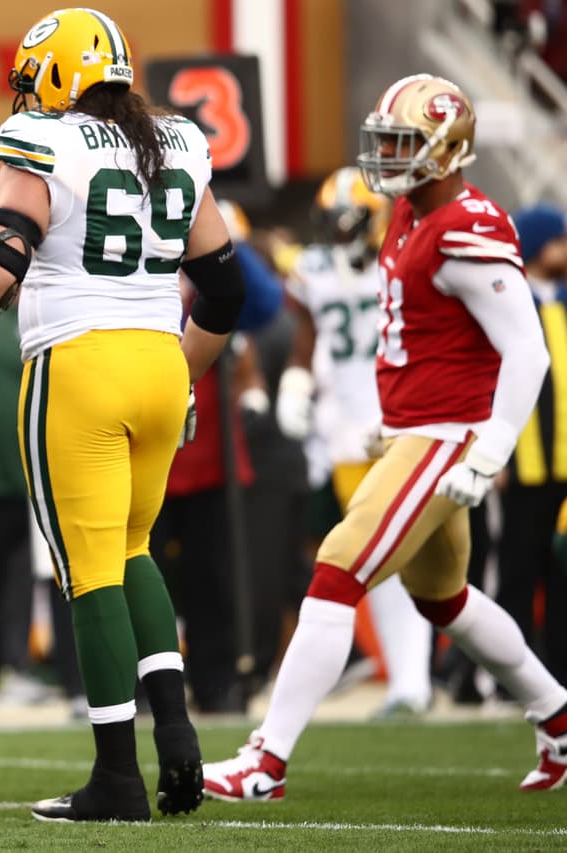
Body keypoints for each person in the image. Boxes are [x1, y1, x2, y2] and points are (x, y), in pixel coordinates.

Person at [0, 8, 245, 823]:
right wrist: (184, 377)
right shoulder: (182, 141)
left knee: (88, 572)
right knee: (134, 551)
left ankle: (119, 778)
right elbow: (224, 289)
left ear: (54, 77)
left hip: (78, 363)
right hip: (161, 359)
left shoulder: (42, 142)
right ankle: (180, 734)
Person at [203, 73, 567, 802]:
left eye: (405, 142)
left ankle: (266, 760)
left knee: (337, 568)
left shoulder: (467, 224)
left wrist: (489, 446)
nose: (391, 155)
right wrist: (393, 414)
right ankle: (559, 716)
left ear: (449, 149)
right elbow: (424, 336)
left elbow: (528, 350)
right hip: (416, 429)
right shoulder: (407, 211)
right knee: (443, 597)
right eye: (388, 139)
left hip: (446, 438)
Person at [276, 167, 436, 717]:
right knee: (371, 563)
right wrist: (295, 387)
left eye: (351, 223)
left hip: (403, 425)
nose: (340, 236)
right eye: (333, 224)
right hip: (347, 435)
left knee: (415, 560)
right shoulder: (316, 269)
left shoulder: (406, 258)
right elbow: (306, 338)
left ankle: (417, 680)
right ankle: (408, 683)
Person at [497, 204, 567, 685]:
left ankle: (559, 671)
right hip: (522, 464)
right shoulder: (508, 300)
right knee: (518, 574)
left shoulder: (563, 299)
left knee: (561, 577)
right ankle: (512, 677)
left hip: (563, 462)